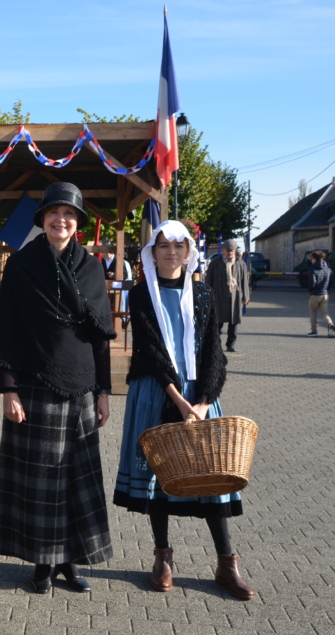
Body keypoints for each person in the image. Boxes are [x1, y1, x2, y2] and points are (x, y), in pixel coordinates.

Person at [0, 182, 116, 594]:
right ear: (42, 219)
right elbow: (5, 329)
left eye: (70, 214)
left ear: (77, 223)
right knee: (39, 482)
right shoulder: (22, 265)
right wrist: (8, 389)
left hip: (82, 388)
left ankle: (72, 562)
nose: (62, 220)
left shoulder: (92, 267)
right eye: (54, 213)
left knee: (77, 480)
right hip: (35, 383)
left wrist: (104, 391)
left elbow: (100, 336)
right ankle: (43, 562)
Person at [113, 220, 253, 600]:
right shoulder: (140, 295)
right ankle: (163, 558)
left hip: (199, 397)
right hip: (158, 391)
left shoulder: (204, 294)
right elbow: (151, 351)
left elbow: (213, 352)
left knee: (213, 474)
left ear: (189, 251)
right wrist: (178, 400)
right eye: (164, 246)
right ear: (152, 252)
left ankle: (227, 563)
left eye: (179, 246)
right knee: (160, 475)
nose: (171, 252)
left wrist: (204, 401)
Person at [204, 240, 250, 352]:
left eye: (232, 250)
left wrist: (246, 295)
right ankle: (216, 345)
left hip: (235, 296)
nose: (230, 252)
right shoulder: (215, 263)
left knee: (233, 322)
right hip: (219, 296)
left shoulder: (241, 264)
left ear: (235, 251)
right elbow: (209, 280)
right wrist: (207, 295)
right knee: (217, 322)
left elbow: (244, 281)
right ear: (223, 250)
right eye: (228, 250)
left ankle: (230, 344)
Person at [305, 250, 334, 337]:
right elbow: (332, 281)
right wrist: (327, 290)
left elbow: (312, 282)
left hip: (315, 294)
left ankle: (314, 331)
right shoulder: (328, 268)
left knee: (313, 312)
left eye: (312, 258)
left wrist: (310, 290)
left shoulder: (312, 268)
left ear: (314, 259)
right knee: (324, 313)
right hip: (325, 294)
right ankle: (330, 325)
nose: (311, 260)